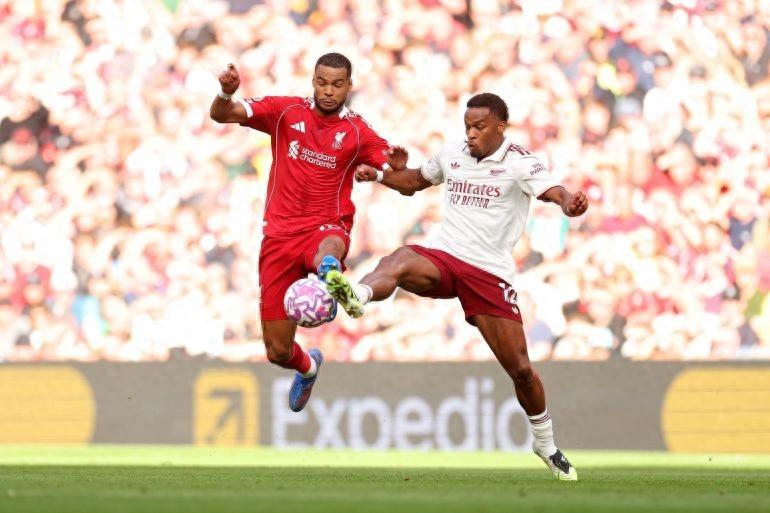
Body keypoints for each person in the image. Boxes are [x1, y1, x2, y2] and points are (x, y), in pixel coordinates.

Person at [324, 93, 588, 480]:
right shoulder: (453, 154)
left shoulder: (520, 162)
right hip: (446, 259)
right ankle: (357, 295)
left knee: (521, 370)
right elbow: (414, 182)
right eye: (467, 126)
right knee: (400, 258)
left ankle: (545, 444)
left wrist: (569, 204)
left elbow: (556, 193)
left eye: (480, 127)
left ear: (500, 127)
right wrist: (381, 175)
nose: (471, 134)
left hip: (489, 274)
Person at [210, 53, 404, 412]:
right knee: (277, 351)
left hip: (325, 228)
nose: (328, 91)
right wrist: (226, 93)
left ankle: (329, 270)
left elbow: (402, 178)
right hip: (279, 238)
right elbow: (222, 114)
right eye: (322, 83)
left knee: (327, 248)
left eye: (337, 84)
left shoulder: (358, 132)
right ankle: (309, 368)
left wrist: (393, 168)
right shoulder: (285, 112)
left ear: (349, 86)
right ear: (313, 81)